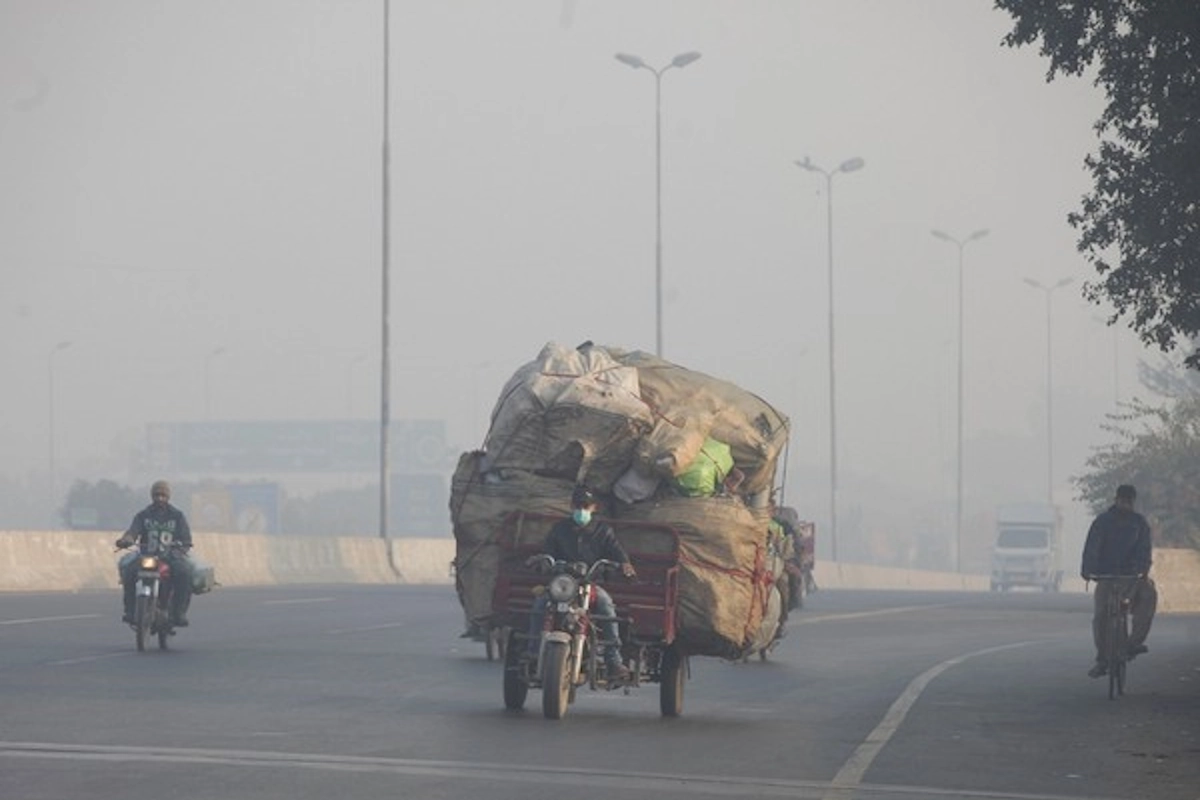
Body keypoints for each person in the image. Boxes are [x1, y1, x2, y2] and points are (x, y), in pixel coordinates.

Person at [527, 485, 636, 681]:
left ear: (594, 507)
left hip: (589, 585)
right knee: (540, 605)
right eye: (578, 505)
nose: (581, 510)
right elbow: (548, 551)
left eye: (585, 506)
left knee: (606, 606)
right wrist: (542, 560)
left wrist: (624, 564)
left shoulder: (603, 531)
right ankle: (533, 652)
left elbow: (617, 552)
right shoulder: (560, 529)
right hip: (562, 584)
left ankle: (613, 660)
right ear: (571, 506)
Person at [1081, 484, 1158, 678]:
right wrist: (1088, 570)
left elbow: (1144, 549)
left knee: (1148, 595)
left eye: (1129, 501)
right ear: (1116, 500)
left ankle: (1133, 644)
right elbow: (1092, 547)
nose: (1126, 504)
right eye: (1123, 500)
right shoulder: (1102, 522)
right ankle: (1103, 659)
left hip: (1132, 576)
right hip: (1106, 576)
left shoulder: (1139, 523)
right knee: (1101, 617)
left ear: (1133, 502)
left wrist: (1142, 570)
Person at [115, 480, 195, 627]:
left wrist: (181, 547)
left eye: (163, 495)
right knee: (129, 572)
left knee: (185, 573)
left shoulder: (177, 516)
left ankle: (179, 613)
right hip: (147, 556)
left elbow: (186, 538)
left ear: (168, 496)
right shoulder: (143, 515)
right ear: (152, 496)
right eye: (157, 495)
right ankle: (130, 611)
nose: (160, 498)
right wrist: (126, 540)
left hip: (170, 556)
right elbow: (133, 532)